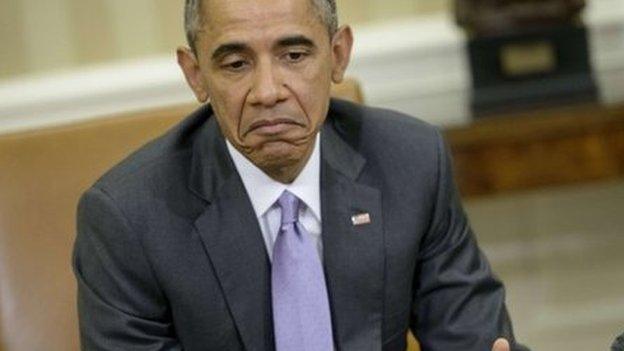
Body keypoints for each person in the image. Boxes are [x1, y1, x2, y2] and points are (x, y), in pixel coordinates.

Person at [72, 0, 528, 350]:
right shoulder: (127, 219)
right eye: (236, 64)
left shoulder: (410, 162)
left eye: (293, 54)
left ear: (337, 54)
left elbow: (470, 335)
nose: (268, 92)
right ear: (196, 76)